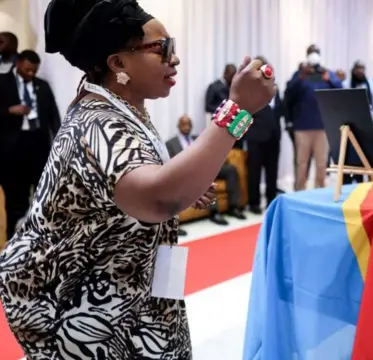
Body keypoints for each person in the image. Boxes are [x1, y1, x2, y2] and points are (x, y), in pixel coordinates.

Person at [0, 1, 275, 358]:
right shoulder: (95, 123)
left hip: (135, 301)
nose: (174, 59)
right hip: (94, 321)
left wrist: (183, 187)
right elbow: (157, 198)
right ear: (118, 63)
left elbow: (132, 191)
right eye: (162, 49)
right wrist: (237, 109)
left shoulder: (123, 110)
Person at [0, 50, 61, 239]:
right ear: (17, 64)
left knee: (43, 196)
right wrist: (9, 110)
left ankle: (36, 240)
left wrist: (58, 144)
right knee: (15, 198)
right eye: (27, 70)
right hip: (12, 149)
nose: (31, 74)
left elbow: (53, 117)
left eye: (34, 71)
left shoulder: (42, 86)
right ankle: (12, 242)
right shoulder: (2, 83)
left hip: (38, 147)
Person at [166, 115, 247, 225]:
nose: (186, 127)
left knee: (231, 170)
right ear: (178, 126)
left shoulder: (198, 138)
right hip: (189, 173)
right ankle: (214, 212)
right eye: (183, 124)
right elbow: (171, 162)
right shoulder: (171, 143)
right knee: (204, 177)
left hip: (206, 167)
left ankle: (233, 207)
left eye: (188, 124)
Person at [285, 44, 342, 190]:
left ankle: (319, 192)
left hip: (322, 127)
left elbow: (340, 91)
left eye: (316, 52)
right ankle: (299, 192)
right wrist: (301, 77)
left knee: (322, 163)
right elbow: (289, 94)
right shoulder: (300, 75)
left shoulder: (326, 74)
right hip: (302, 127)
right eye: (311, 52)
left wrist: (330, 80)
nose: (313, 55)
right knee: (301, 163)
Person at [245, 55, 283, 213]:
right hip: (256, 137)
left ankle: (271, 201)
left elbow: (279, 110)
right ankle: (254, 203)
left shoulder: (275, 88)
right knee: (254, 171)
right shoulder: (249, 89)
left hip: (274, 137)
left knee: (272, 171)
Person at [343, 60, 373, 184]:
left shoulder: (370, 83)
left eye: (362, 68)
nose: (360, 71)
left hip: (367, 123)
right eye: (358, 68)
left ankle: (364, 180)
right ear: (353, 70)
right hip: (351, 123)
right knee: (352, 153)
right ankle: (352, 178)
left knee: (366, 153)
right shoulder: (347, 83)